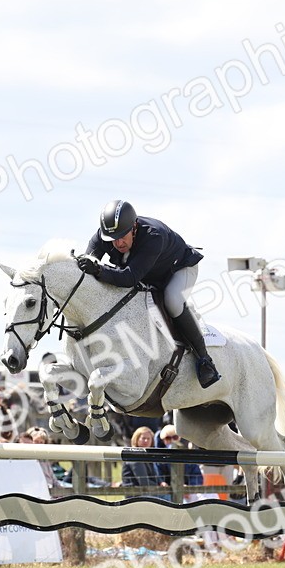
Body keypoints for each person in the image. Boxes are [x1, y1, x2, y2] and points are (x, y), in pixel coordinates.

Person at [76, 199, 220, 388]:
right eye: (113, 238)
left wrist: (99, 270)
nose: (118, 242)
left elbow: (128, 278)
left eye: (122, 236)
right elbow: (87, 269)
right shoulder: (103, 237)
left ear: (134, 226)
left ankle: (204, 360)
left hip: (178, 269)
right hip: (149, 274)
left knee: (172, 300)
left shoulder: (153, 236)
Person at [121, 426, 166, 491]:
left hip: (149, 491)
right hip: (136, 494)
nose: (146, 441)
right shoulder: (134, 455)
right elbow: (144, 482)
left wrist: (161, 482)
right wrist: (161, 488)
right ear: (136, 439)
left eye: (148, 438)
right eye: (143, 438)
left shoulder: (148, 456)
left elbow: (154, 475)